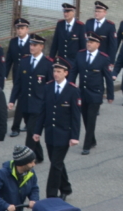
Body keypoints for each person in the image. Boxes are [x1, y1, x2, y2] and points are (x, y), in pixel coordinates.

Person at [32, 57, 79, 199]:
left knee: (55, 165)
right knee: (56, 162)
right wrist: (37, 131)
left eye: (59, 71)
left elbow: (75, 116)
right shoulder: (48, 87)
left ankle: (51, 196)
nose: (56, 74)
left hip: (64, 133)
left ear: (66, 73)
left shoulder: (72, 90)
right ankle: (66, 187)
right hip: (50, 132)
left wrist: (74, 136)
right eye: (54, 71)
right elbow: (43, 111)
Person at [7, 35, 51, 164]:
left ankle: (27, 159)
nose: (31, 47)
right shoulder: (24, 61)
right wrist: (12, 100)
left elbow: (50, 86)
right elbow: (18, 83)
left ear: (41, 47)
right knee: (33, 132)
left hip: (39, 105)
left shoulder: (48, 63)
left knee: (31, 131)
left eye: (35, 45)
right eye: (31, 45)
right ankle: (39, 155)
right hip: (25, 103)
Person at [70, 32, 113, 155]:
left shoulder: (103, 58)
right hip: (82, 92)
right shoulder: (80, 54)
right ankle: (92, 140)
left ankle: (87, 145)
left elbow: (108, 78)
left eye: (91, 42)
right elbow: (73, 72)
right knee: (85, 118)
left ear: (98, 44)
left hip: (95, 93)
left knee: (91, 119)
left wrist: (110, 95)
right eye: (88, 42)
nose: (89, 44)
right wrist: (69, 87)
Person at [0, 145, 39, 211]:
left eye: (34, 161)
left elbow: (34, 188)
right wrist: (5, 205)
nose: (34, 164)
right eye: (31, 162)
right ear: (22, 163)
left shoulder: (31, 172)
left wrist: (33, 199)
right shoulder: (2, 174)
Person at [5, 19, 32, 138]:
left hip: (30, 76)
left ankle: (22, 125)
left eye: (22, 28)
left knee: (24, 100)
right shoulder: (13, 42)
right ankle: (20, 126)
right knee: (20, 99)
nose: (19, 31)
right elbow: (9, 61)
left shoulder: (33, 42)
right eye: (18, 28)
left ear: (27, 29)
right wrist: (4, 75)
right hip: (17, 76)